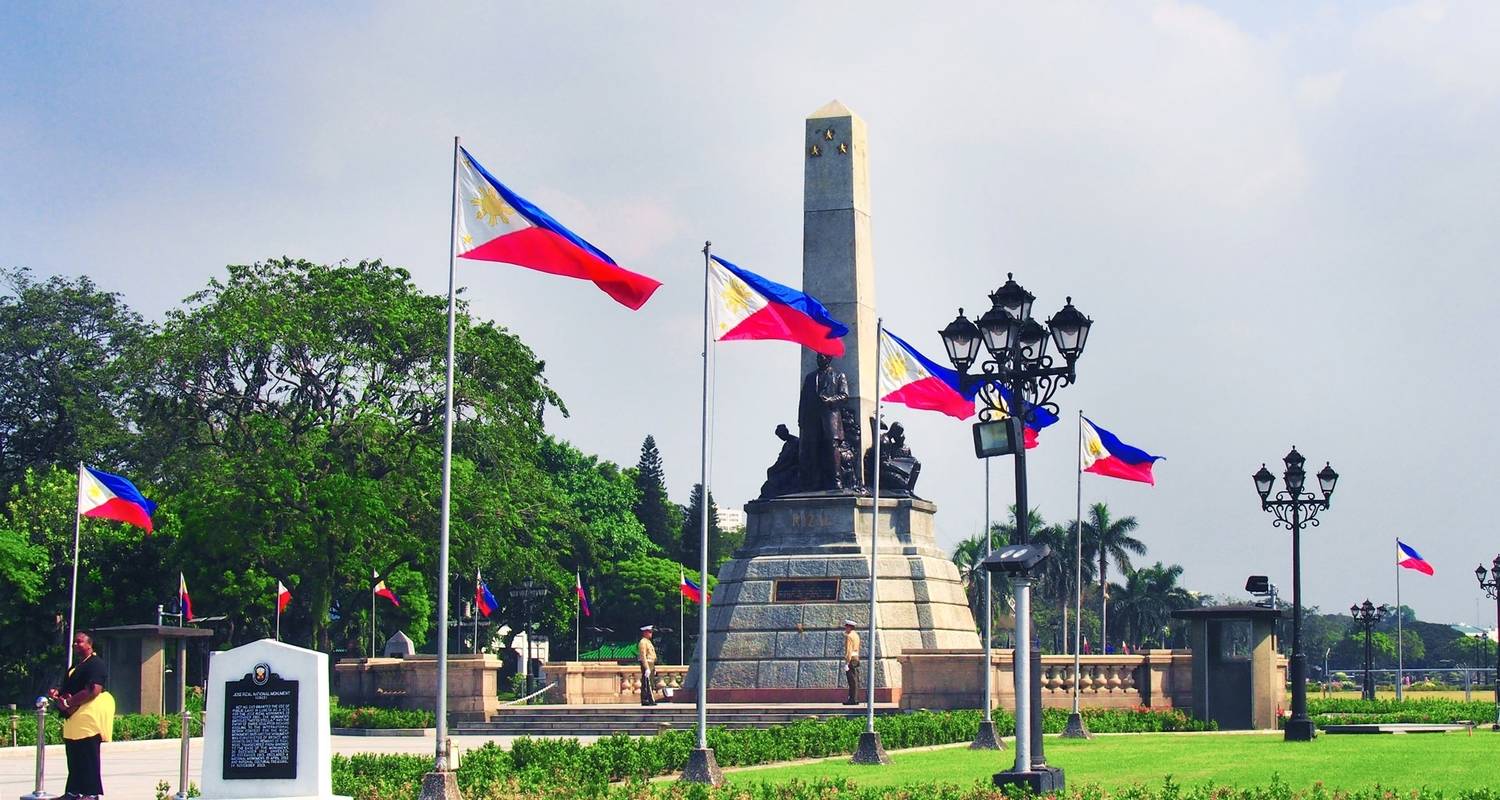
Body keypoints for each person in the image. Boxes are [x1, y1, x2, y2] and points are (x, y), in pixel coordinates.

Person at [48, 632, 115, 800]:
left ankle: (91, 793)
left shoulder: (96, 664)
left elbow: (94, 689)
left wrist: (70, 703)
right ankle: (73, 791)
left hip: (88, 717)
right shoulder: (75, 666)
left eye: (79, 642)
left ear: (89, 644)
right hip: (73, 718)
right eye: (74, 642)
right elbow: (68, 688)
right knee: (74, 755)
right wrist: (58, 693)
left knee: (88, 755)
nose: (75, 645)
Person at [637, 625, 657, 706]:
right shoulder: (643, 642)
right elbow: (643, 656)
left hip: (651, 663)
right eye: (649, 632)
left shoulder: (648, 642)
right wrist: (646, 668)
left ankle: (649, 698)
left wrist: (653, 668)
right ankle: (647, 699)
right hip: (647, 663)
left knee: (650, 682)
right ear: (645, 632)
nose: (651, 633)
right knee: (647, 683)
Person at [842, 620, 861, 705]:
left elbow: (849, 650)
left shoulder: (849, 636)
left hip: (851, 659)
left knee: (851, 681)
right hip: (856, 658)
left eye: (846, 626)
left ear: (849, 627)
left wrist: (847, 662)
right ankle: (855, 698)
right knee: (855, 680)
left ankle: (852, 699)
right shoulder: (856, 635)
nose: (845, 628)